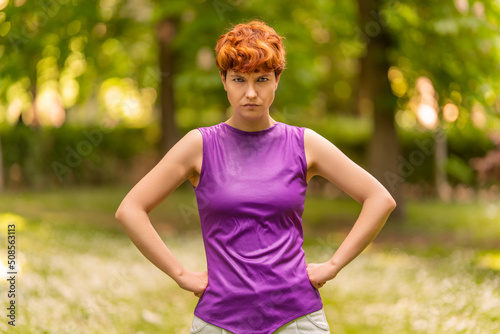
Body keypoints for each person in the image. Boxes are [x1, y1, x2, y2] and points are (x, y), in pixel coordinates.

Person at [115, 19, 397, 334]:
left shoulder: (304, 143)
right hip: (219, 320)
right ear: (223, 80)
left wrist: (332, 266)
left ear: (277, 79)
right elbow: (130, 209)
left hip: (296, 319)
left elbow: (379, 199)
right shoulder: (200, 145)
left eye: (262, 79)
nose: (251, 93)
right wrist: (180, 274)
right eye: (239, 79)